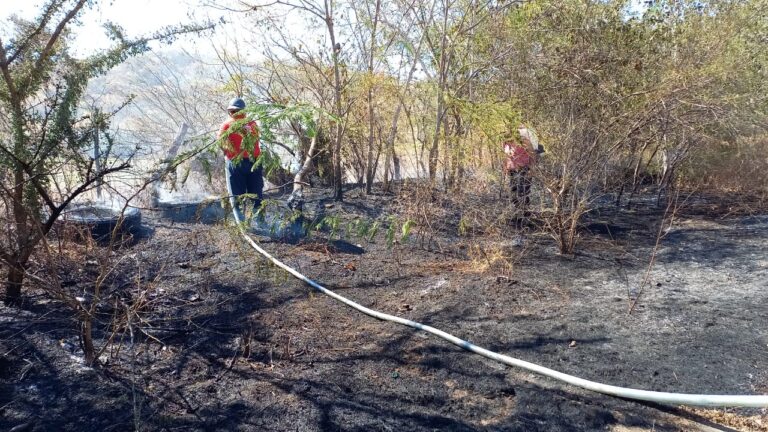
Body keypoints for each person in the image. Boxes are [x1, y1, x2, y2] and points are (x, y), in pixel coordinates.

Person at [218, 97, 263, 224]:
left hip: (235, 163)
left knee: (236, 195)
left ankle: (241, 225)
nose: (232, 114)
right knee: (256, 194)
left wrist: (227, 153)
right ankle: (259, 222)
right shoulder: (252, 123)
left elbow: (221, 142)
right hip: (254, 162)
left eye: (233, 111)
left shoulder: (227, 124)